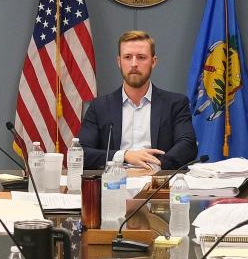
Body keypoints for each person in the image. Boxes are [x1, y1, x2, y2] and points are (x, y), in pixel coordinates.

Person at [77, 30, 197, 170]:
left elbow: (188, 146)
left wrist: (155, 165)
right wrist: (124, 155)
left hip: (156, 184)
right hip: (113, 185)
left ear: (153, 62)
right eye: (127, 57)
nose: (134, 64)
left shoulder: (175, 104)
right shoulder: (100, 107)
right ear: (119, 62)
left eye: (141, 57)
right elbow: (81, 153)